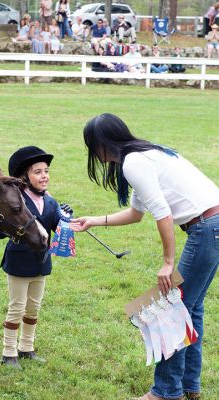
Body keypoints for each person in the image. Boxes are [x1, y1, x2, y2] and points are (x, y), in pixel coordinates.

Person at [71, 113, 219, 400]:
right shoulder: (143, 155)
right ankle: (189, 386)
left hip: (207, 227)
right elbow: (136, 214)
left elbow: (162, 213)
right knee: (190, 307)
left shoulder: (134, 163)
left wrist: (167, 263)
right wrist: (94, 220)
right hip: (213, 224)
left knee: (171, 309)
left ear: (101, 144)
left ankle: (165, 391)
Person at [0, 146, 67, 369]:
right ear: (24, 177)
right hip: (19, 263)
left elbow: (56, 228)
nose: (44, 176)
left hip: (41, 263)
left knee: (33, 308)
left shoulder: (51, 203)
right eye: (38, 172)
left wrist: (65, 218)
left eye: (46, 171)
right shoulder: (16, 202)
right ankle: (8, 352)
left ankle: (26, 348)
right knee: (17, 307)